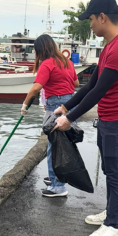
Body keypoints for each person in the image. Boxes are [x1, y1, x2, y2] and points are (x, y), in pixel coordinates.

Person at [52, 0, 118, 236]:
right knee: (110, 170)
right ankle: (113, 213)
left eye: (90, 19)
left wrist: (70, 118)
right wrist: (66, 106)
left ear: (102, 17)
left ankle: (113, 225)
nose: (89, 24)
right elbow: (91, 86)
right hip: (108, 119)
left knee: (115, 174)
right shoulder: (110, 46)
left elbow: (100, 90)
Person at [21, 34, 79, 198]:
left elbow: (35, 89)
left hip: (56, 107)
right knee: (62, 146)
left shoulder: (47, 64)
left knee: (54, 148)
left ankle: (58, 187)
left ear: (40, 50)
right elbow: (75, 83)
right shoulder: (67, 62)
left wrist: (24, 105)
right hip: (70, 105)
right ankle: (55, 178)